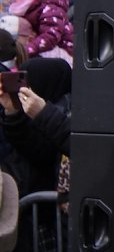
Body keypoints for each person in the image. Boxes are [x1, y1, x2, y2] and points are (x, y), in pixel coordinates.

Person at [0, 57, 72, 251]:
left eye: (29, 82)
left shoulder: (69, 115)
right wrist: (12, 112)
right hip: (35, 217)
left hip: (55, 220)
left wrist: (43, 113)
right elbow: (33, 148)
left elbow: (48, 149)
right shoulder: (34, 114)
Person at [4, 0, 74, 65]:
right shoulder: (22, 8)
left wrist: (25, 50)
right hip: (39, 49)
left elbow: (51, 36)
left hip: (61, 52)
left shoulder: (49, 7)